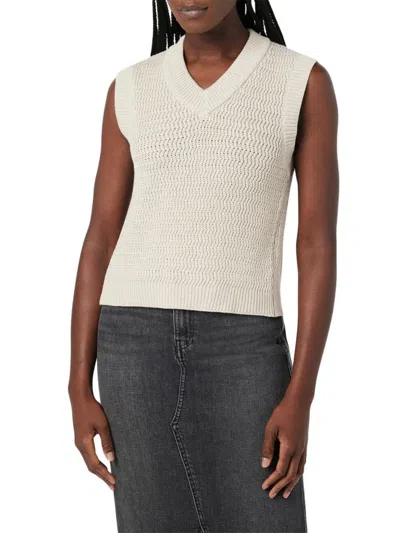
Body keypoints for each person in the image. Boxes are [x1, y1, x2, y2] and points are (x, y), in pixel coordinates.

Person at [68, 1, 339, 532]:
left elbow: (315, 244)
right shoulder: (131, 87)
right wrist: (79, 385)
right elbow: (100, 239)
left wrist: (301, 393)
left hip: (244, 345)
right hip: (131, 344)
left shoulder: (300, 82)